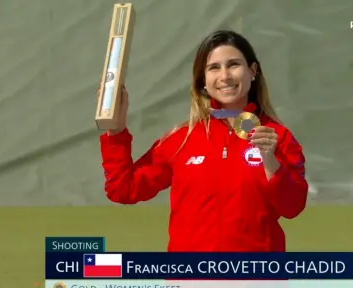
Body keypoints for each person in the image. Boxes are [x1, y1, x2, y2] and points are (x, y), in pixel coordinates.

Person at [99, 30, 308, 252]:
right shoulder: (181, 139)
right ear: (203, 80)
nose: (225, 75)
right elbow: (122, 189)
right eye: (214, 67)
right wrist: (115, 132)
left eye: (234, 64)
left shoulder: (276, 136)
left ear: (252, 71)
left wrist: (270, 160)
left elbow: (293, 207)